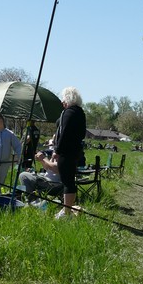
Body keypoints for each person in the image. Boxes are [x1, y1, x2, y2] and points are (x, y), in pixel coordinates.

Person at [52, 86, 87, 219]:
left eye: (63, 99)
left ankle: (66, 212)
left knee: (67, 181)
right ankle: (68, 208)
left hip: (66, 152)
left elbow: (64, 133)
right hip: (75, 151)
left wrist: (57, 150)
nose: (62, 102)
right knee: (70, 180)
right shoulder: (80, 113)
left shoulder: (69, 113)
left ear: (67, 99)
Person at [0, 113, 22, 193]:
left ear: (1, 120)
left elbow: (18, 146)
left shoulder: (9, 134)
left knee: (0, 184)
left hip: (5, 164)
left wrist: (19, 157)